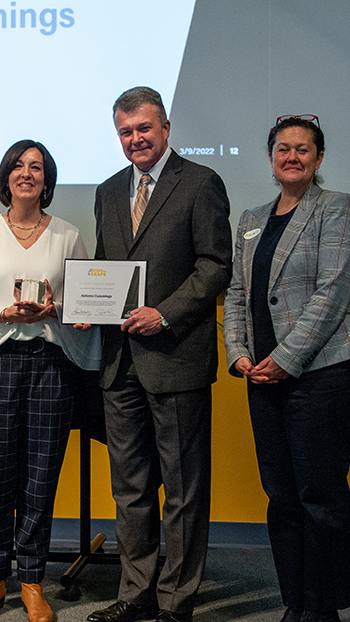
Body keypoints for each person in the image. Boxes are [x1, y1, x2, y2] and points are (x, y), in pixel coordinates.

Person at [86, 87, 232, 622]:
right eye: (125, 132)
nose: (135, 140)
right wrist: (89, 304)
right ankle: (135, 592)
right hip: (119, 362)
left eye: (143, 129)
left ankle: (176, 601)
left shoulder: (200, 183)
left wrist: (164, 313)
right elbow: (107, 266)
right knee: (130, 488)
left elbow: (215, 266)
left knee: (184, 490)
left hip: (175, 356)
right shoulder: (106, 191)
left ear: (165, 128)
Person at [0, 140, 101, 622]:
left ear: (47, 181)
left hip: (50, 367)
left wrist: (59, 309)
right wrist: (3, 312)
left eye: (36, 167)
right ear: (6, 177)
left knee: (40, 478)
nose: (26, 173)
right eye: (18, 166)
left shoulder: (69, 236)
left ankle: (31, 582)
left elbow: (89, 304)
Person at [223, 116, 350, 622]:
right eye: (283, 148)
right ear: (271, 158)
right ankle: (296, 603)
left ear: (319, 158)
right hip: (261, 378)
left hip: (323, 375)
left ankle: (322, 609)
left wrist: (285, 360)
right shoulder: (251, 218)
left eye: (303, 149)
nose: (292, 156)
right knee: (282, 498)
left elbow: (334, 293)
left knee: (318, 496)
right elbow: (237, 294)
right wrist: (239, 354)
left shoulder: (337, 208)